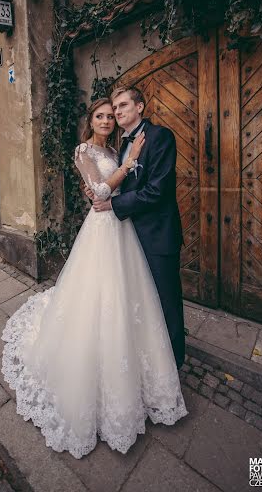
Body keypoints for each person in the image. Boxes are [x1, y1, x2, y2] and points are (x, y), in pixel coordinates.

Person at [1, 97, 187, 460]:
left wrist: (122, 169)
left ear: (135, 110)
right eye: (102, 114)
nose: (108, 119)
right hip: (104, 226)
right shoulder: (84, 149)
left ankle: (150, 369)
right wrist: (125, 168)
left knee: (133, 298)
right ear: (92, 120)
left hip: (124, 225)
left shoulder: (123, 146)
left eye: (113, 113)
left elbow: (116, 191)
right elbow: (100, 190)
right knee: (100, 298)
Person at [90, 87, 186, 369]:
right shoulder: (121, 146)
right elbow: (117, 182)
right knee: (144, 303)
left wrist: (113, 205)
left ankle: (174, 366)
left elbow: (158, 190)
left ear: (140, 106)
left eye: (123, 106)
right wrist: (98, 190)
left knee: (167, 303)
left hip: (158, 236)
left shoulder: (160, 137)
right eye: (114, 108)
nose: (117, 112)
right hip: (129, 236)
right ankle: (153, 363)